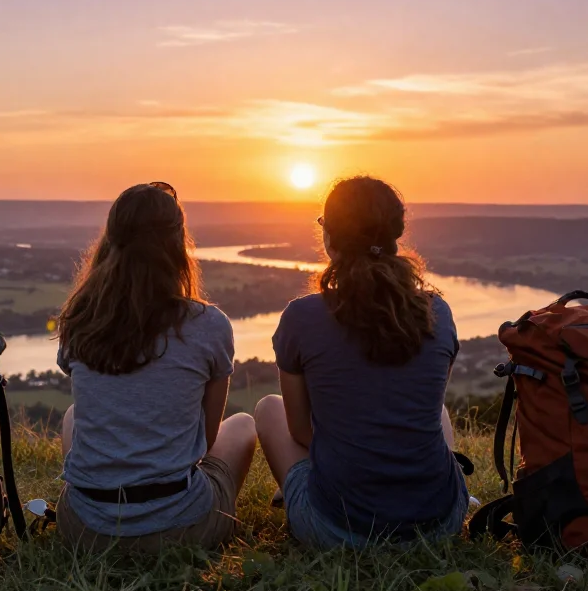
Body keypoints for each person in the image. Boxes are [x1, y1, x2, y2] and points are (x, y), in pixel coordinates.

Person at [254, 175, 467, 548]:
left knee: (268, 408)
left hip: (337, 529)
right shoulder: (438, 313)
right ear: (394, 236)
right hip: (439, 522)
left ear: (330, 238)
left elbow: (302, 431)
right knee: (439, 414)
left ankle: (301, 493)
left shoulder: (302, 317)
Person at [54, 181, 257, 552]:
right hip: (182, 527)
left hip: (83, 530)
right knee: (243, 425)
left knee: (72, 415)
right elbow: (206, 443)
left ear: (111, 240)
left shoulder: (81, 317)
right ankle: (206, 512)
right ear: (179, 243)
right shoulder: (209, 325)